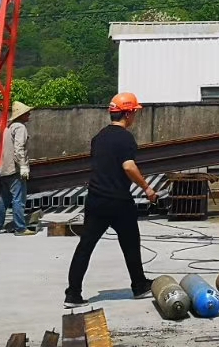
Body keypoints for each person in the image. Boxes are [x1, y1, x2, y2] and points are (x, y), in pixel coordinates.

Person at [64, 92, 159, 305]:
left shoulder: (99, 137)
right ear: (127, 113)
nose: (135, 116)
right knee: (131, 243)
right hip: (118, 201)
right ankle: (139, 285)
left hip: (96, 200)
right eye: (134, 112)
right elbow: (128, 166)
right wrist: (147, 188)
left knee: (85, 246)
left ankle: (73, 294)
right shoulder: (125, 138)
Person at [0, 101, 34, 236]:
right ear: (21, 115)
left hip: (5, 170)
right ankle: (20, 228)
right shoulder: (20, 128)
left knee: (4, 199)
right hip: (15, 170)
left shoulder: (9, 128)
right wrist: (23, 166)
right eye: (27, 113)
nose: (29, 115)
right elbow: (19, 149)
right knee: (19, 199)